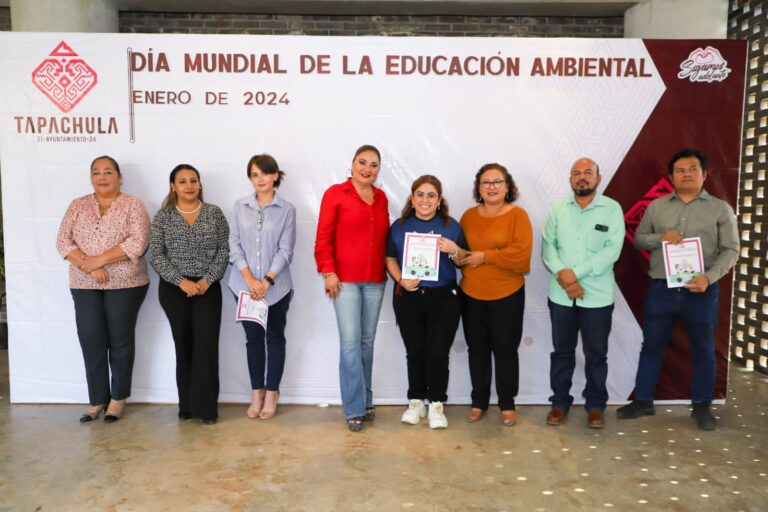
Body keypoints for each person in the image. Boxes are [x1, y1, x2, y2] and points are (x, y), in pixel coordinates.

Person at [616, 149, 739, 431]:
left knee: (704, 350)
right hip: (662, 289)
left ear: (704, 174)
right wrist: (661, 237)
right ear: (671, 176)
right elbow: (639, 240)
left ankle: (702, 406)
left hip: (701, 291)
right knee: (652, 347)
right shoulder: (657, 206)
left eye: (692, 169)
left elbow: (731, 250)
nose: (686, 174)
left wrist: (708, 278)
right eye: (680, 170)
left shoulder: (720, 208)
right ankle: (643, 401)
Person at [56, 155, 150, 423]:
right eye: (96, 172)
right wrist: (89, 266)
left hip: (126, 283)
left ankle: (118, 399)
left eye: (108, 171)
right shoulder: (78, 205)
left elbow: (138, 242)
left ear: (120, 177)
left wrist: (100, 260)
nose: (102, 176)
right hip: (84, 284)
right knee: (91, 339)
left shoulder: (133, 205)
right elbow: (63, 241)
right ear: (91, 178)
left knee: (120, 339)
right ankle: (98, 400)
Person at [541, 158, 625, 429]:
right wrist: (567, 280)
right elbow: (548, 248)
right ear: (570, 180)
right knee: (562, 352)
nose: (582, 177)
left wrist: (574, 274)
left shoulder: (612, 209)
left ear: (598, 178)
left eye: (588, 173)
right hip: (561, 295)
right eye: (576, 173)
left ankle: (596, 405)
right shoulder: (558, 210)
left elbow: (611, 251)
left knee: (596, 354)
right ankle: (559, 403)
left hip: (598, 297)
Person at [314, 145, 390, 432]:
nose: (367, 169)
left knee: (366, 343)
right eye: (362, 162)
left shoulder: (381, 198)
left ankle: (366, 399)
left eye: (373, 165)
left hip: (375, 279)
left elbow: (384, 239)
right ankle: (354, 408)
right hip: (343, 280)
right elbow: (323, 238)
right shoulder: (336, 193)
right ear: (352, 163)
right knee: (350, 342)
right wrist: (328, 271)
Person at [150, 164, 229, 425]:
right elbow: (157, 256)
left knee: (206, 346)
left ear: (200, 185)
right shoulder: (163, 217)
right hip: (175, 290)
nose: (189, 185)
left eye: (193, 180)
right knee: (183, 346)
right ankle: (187, 406)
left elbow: (224, 251)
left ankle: (207, 409)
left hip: (208, 288)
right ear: (173, 186)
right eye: (182, 181)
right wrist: (181, 281)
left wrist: (207, 280)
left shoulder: (214, 213)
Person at [386, 175, 466, 429]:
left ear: (439, 200)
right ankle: (416, 401)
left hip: (443, 297)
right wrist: (400, 279)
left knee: (438, 353)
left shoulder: (451, 226)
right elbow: (389, 258)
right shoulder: (399, 226)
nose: (425, 200)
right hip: (409, 297)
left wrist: (453, 249)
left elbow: (464, 259)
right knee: (415, 352)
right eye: (420, 194)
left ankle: (437, 404)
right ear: (412, 198)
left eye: (431, 195)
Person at [458, 163, 533, 427]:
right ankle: (478, 401)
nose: (491, 187)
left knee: (505, 351)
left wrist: (485, 256)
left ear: (508, 186)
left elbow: (521, 256)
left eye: (497, 182)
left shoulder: (518, 216)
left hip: (507, 295)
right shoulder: (467, 217)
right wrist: (456, 254)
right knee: (476, 350)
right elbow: (462, 256)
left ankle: (507, 403)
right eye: (486, 182)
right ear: (478, 188)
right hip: (471, 295)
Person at [229, 154, 296, 420]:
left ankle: (272, 392)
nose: (260, 179)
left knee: (275, 338)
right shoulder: (239, 205)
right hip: (244, 287)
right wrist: (249, 280)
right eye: (255, 175)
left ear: (275, 176)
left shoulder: (287, 209)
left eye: (265, 174)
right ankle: (256, 392)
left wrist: (266, 281)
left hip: (276, 288)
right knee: (253, 340)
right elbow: (234, 245)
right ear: (250, 178)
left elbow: (286, 250)